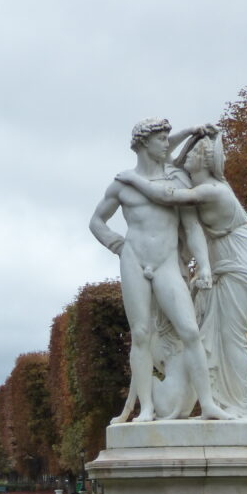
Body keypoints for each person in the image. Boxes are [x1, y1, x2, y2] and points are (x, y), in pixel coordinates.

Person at [115, 131, 247, 419]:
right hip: (223, 256)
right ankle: (231, 401)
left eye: (191, 151)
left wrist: (133, 179)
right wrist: (190, 131)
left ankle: (241, 404)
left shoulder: (211, 189)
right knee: (219, 333)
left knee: (232, 334)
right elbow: (159, 155)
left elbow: (165, 194)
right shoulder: (187, 176)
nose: (181, 155)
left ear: (200, 160)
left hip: (238, 257)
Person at [89, 118, 230, 422]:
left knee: (190, 331)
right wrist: (118, 245)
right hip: (134, 260)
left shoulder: (177, 181)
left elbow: (192, 228)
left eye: (168, 138)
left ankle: (207, 404)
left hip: (167, 262)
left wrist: (203, 265)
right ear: (143, 143)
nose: (167, 143)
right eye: (161, 138)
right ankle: (147, 409)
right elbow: (96, 221)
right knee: (140, 334)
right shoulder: (122, 184)